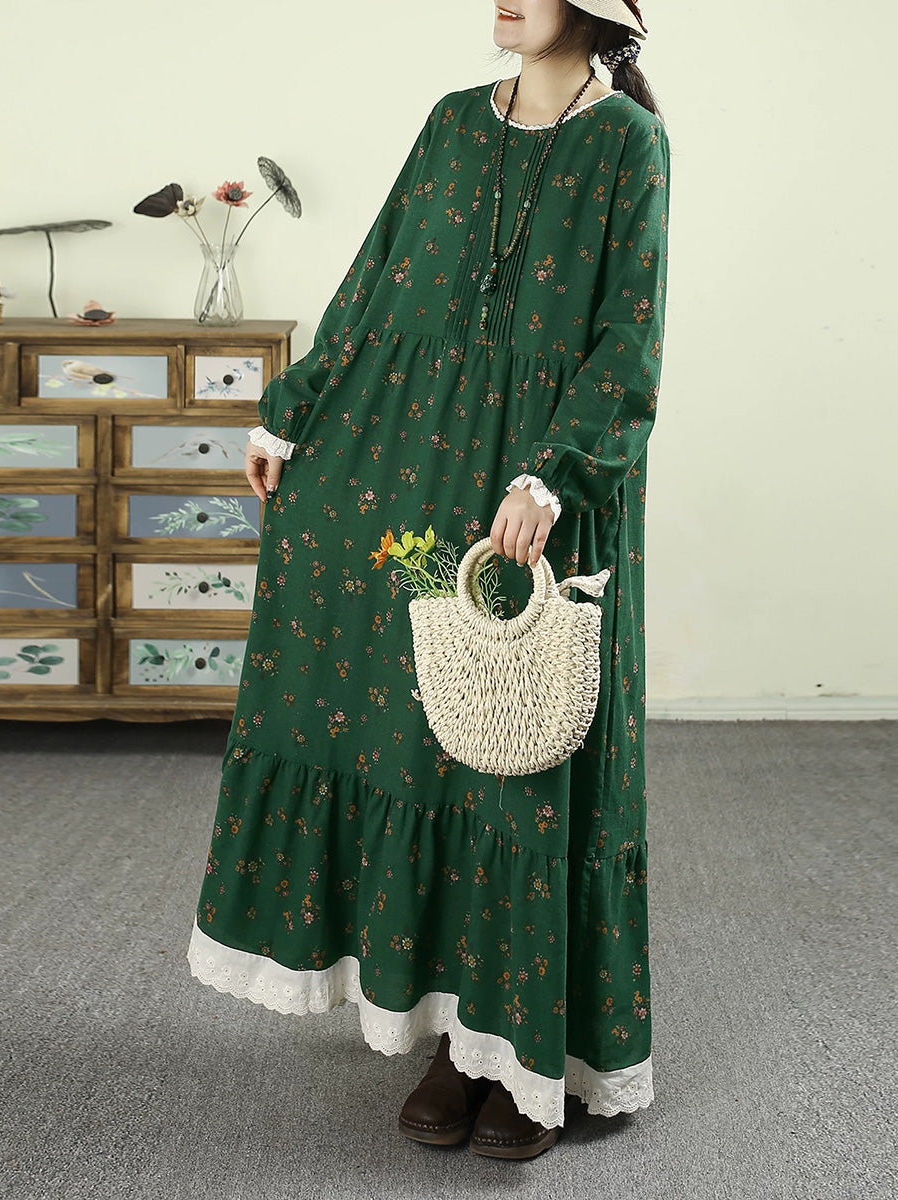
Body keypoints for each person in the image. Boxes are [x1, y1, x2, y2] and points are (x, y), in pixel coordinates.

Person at [187, 0, 670, 1162]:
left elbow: (630, 335)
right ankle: (453, 1035)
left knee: (518, 759)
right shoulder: (454, 120)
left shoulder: (628, 141)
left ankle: (524, 1055)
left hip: (533, 487)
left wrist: (556, 474)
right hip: (414, 464)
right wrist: (294, 411)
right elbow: (376, 282)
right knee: (425, 737)